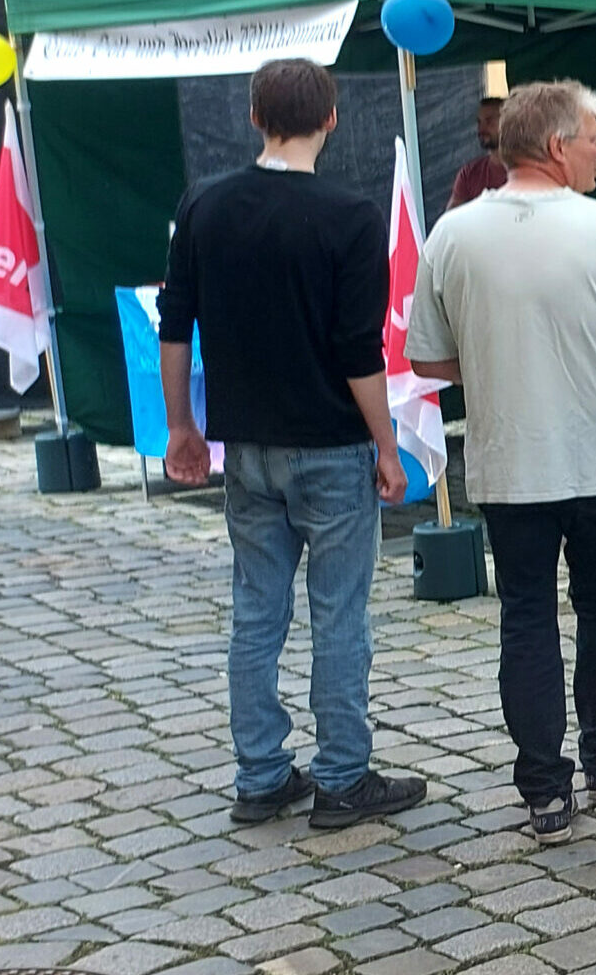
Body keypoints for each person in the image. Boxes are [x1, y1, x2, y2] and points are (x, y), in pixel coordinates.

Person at [156, 58, 426, 831]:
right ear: (333, 120)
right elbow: (358, 351)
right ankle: (343, 775)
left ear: (252, 115)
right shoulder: (348, 214)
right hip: (332, 444)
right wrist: (386, 443)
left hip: (247, 445)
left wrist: (181, 426)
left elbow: (177, 326)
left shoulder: (204, 203)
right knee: (340, 616)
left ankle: (262, 773)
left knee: (256, 613)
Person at [406, 80, 596, 846]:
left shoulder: (452, 234)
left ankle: (544, 793)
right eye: (594, 136)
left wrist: (496, 359)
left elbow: (427, 355)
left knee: (525, 617)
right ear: (557, 146)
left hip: (508, 459)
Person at [447, 96, 507, 209]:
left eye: (489, 121)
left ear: (508, 123)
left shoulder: (530, 171)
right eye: (479, 122)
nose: (481, 129)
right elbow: (450, 217)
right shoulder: (469, 174)